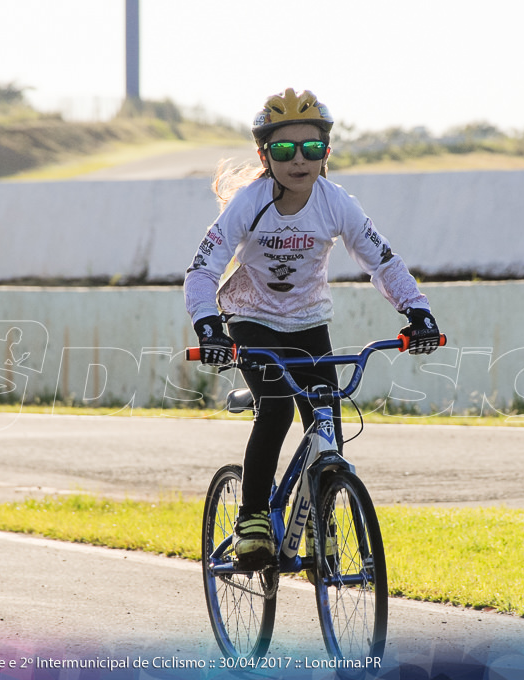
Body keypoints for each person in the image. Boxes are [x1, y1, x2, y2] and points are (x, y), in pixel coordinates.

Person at [184, 88, 441, 566]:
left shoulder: (336, 202)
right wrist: (208, 328)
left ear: (327, 152)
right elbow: (202, 270)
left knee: (327, 421)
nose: (298, 159)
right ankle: (253, 519)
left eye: (311, 147)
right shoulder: (248, 203)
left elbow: (382, 262)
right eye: (283, 150)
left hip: (308, 325)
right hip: (251, 320)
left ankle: (323, 525)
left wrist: (417, 312)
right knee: (278, 408)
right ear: (264, 155)